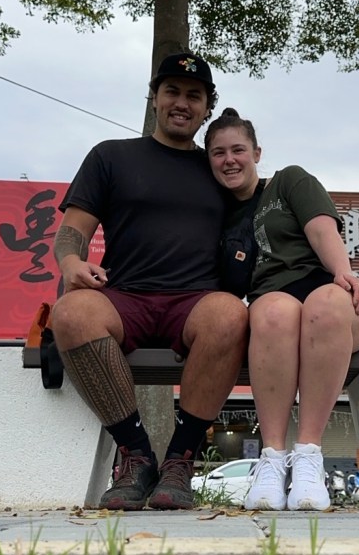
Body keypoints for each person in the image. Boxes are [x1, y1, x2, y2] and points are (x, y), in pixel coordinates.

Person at [51, 54, 249, 511]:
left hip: (196, 301)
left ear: (207, 107)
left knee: (230, 314)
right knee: (72, 313)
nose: (182, 103)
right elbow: (71, 231)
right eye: (172, 91)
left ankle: (180, 460)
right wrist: (70, 263)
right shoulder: (110, 156)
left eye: (194, 96)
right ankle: (136, 457)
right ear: (154, 98)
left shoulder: (219, 167)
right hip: (124, 296)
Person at [205, 107, 359, 511]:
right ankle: (272, 460)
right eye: (218, 153)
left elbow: (321, 228)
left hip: (331, 298)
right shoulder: (216, 215)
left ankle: (308, 458)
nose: (230, 160)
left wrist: (343, 272)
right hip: (273, 308)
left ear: (256, 153)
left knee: (325, 304)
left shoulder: (288, 181)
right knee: (273, 312)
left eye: (238, 150)